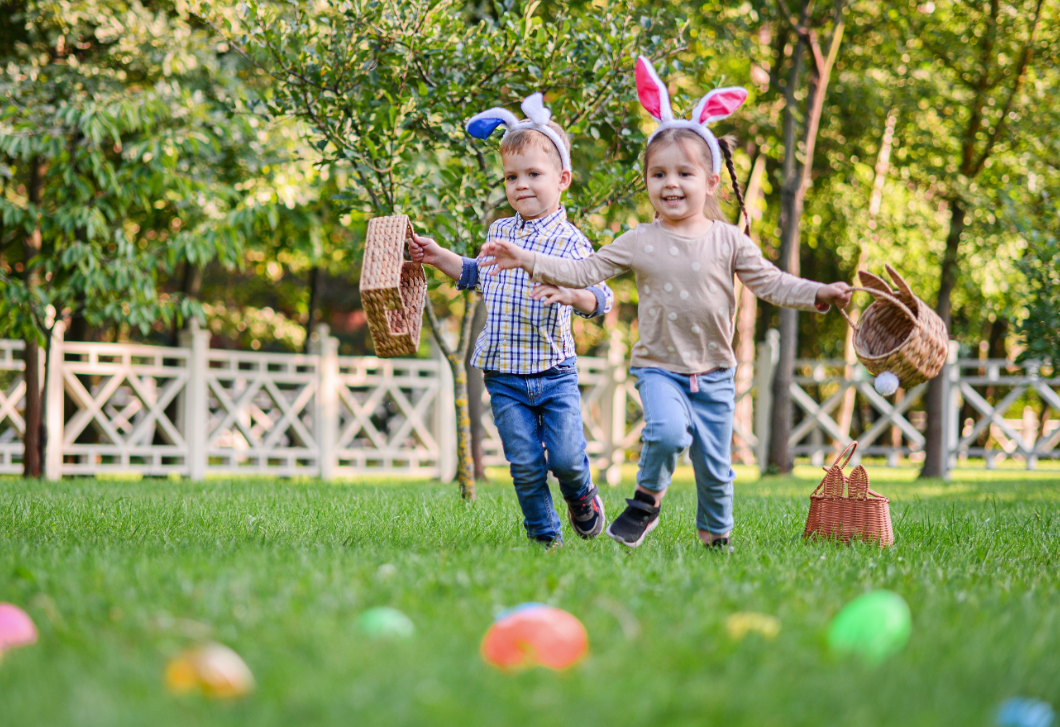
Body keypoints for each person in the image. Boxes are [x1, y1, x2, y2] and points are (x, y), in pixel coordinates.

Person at [480, 58, 852, 550]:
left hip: (715, 370)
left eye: (684, 173)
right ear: (648, 182)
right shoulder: (639, 240)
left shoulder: (730, 241)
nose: (670, 183)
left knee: (716, 471)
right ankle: (645, 502)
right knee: (667, 433)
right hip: (659, 367)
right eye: (658, 174)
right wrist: (524, 256)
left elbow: (773, 284)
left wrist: (819, 294)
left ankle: (715, 538)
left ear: (711, 182)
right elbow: (583, 272)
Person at [409, 93, 613, 548]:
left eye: (533, 175)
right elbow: (476, 275)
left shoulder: (569, 241)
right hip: (503, 372)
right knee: (523, 461)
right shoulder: (500, 231)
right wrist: (438, 255)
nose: (521, 185)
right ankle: (544, 537)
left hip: (554, 372)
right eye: (511, 176)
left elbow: (602, 298)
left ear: (562, 179)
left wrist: (570, 292)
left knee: (565, 458)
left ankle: (581, 495)